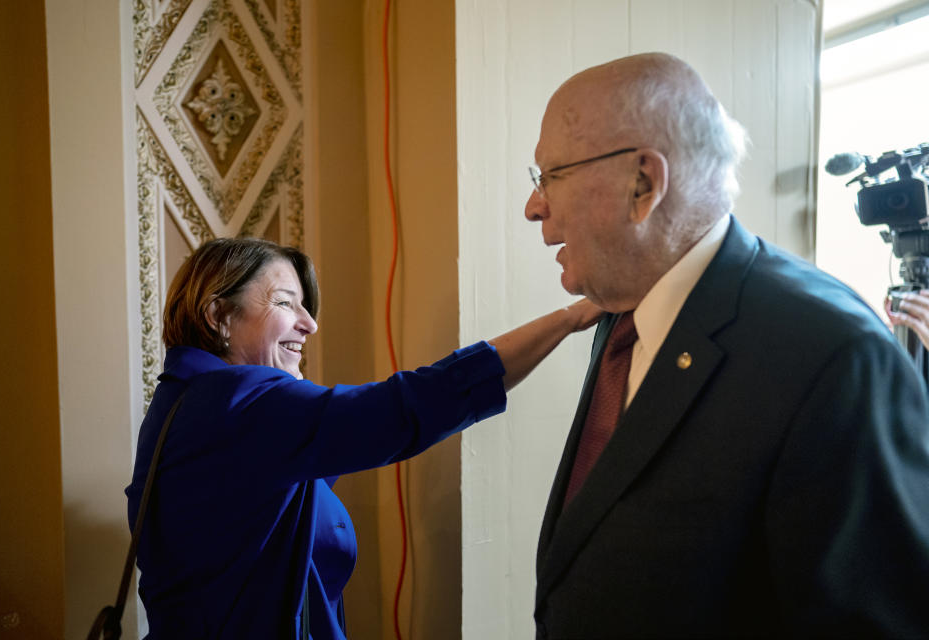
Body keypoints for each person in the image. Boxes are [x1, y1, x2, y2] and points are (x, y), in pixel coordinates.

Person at [524, 52, 929, 637]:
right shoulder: (625, 312)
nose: (535, 205)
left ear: (644, 183)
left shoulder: (834, 358)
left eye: (550, 177)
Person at [126, 237, 600, 639]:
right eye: (285, 302)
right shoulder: (237, 403)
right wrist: (566, 319)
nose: (309, 323)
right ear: (218, 316)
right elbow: (402, 410)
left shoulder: (188, 403)